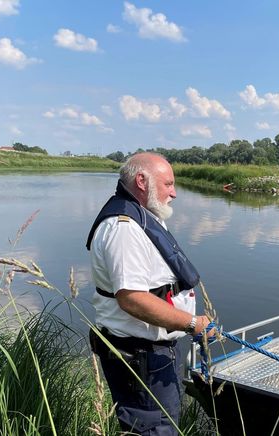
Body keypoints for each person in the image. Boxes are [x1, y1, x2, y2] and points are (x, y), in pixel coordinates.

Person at [86, 152, 213, 435]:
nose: (174, 192)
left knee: (162, 425)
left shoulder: (143, 217)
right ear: (142, 181)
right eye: (168, 184)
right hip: (142, 356)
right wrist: (192, 324)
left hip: (154, 354)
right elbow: (131, 298)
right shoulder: (124, 229)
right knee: (154, 429)